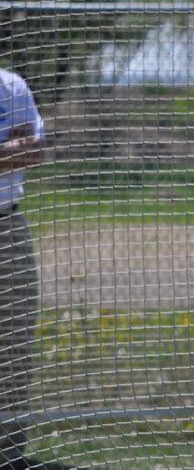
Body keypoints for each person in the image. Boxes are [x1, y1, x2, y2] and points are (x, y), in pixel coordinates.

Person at [0, 69, 77, 469]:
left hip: (6, 226)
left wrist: (15, 149)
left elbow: (33, 150)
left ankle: (8, 455)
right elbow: (14, 149)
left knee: (13, 347)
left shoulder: (10, 86)